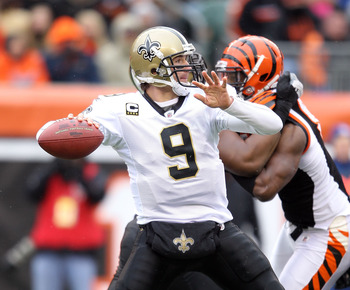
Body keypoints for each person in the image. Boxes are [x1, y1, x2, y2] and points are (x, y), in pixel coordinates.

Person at [38, 26, 296, 289]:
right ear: (154, 68)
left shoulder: (204, 100)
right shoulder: (118, 109)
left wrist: (231, 104)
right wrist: (75, 127)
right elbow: (48, 135)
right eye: (179, 60)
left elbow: (271, 124)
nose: (187, 66)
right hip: (154, 233)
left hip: (215, 228)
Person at [216, 35, 350, 290]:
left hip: (330, 231)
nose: (229, 83)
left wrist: (216, 147)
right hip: (297, 227)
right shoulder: (270, 108)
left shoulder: (292, 128)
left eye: (236, 76)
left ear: (260, 77)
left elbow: (264, 188)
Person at [25, 158, 107, 290]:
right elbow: (31, 192)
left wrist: (80, 176)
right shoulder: (50, 172)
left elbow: (98, 194)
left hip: (81, 253)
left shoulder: (90, 171)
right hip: (48, 252)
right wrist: (52, 170)